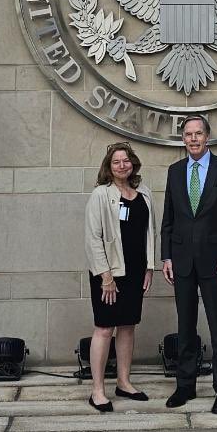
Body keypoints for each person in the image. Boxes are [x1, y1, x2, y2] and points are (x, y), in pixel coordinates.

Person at [161, 114, 217, 415]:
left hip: (215, 262)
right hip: (181, 261)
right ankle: (185, 386)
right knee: (185, 327)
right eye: (187, 134)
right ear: (183, 139)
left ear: (208, 136)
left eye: (198, 133)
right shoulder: (174, 171)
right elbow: (168, 219)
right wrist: (166, 256)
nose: (193, 139)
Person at [83, 141, 155, 412]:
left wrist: (149, 267)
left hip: (135, 272)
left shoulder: (144, 193)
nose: (122, 165)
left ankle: (124, 382)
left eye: (126, 160)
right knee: (104, 328)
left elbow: (150, 234)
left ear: (133, 163)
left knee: (127, 326)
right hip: (109, 274)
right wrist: (106, 277)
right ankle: (97, 391)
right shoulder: (101, 195)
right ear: (109, 167)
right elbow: (93, 239)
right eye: (116, 162)